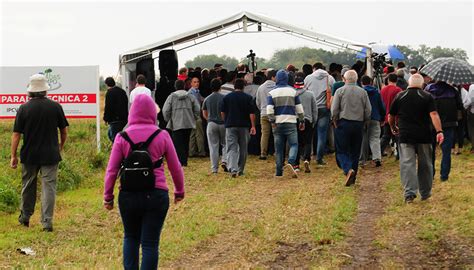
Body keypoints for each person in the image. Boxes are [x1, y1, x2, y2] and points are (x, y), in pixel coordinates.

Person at [104, 94, 184, 269]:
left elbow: (112, 169)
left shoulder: (121, 136)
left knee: (131, 237)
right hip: (156, 194)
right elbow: (175, 166)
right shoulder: (162, 135)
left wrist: (108, 196)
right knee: (150, 243)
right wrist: (179, 191)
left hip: (128, 195)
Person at [10, 74, 69, 232]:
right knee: (49, 187)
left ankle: (25, 217)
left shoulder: (24, 108)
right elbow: (64, 131)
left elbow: (16, 134)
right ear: (45, 90)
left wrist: (13, 155)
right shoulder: (55, 106)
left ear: (30, 91)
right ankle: (47, 222)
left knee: (28, 185)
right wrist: (60, 147)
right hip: (50, 154)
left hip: (29, 154)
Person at [389, 74, 444, 203]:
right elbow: (434, 114)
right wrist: (439, 131)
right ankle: (425, 193)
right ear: (422, 84)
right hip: (424, 135)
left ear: (409, 83)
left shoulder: (400, 96)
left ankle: (409, 193)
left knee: (407, 164)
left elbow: (391, 115)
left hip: (406, 134)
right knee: (425, 164)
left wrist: (393, 126)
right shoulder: (427, 96)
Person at [330, 70, 371, 186]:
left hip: (343, 123)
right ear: (357, 79)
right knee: (355, 150)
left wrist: (334, 120)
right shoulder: (363, 92)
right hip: (358, 124)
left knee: (342, 150)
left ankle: (348, 170)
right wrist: (365, 121)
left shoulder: (340, 91)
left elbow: (334, 109)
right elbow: (368, 110)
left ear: (344, 79)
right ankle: (353, 176)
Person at [267, 70, 305, 178]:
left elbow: (269, 110)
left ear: (277, 79)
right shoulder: (293, 91)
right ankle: (291, 161)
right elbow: (299, 109)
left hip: (278, 124)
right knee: (294, 144)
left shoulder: (272, 93)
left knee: (279, 148)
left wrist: (272, 121)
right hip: (291, 122)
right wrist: (302, 120)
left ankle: (279, 172)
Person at [425, 81, 463, 181]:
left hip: (431, 124)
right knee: (446, 152)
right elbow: (460, 106)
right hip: (449, 124)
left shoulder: (428, 90)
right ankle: (444, 176)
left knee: (430, 150)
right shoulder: (453, 91)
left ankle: (431, 174)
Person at [220, 78, 256, 177]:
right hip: (244, 126)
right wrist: (253, 126)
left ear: (234, 86)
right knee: (243, 148)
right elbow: (251, 113)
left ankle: (233, 169)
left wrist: (225, 121)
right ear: (243, 87)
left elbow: (222, 112)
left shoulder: (227, 98)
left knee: (231, 148)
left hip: (230, 125)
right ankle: (240, 169)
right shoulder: (248, 98)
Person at [162, 80, 200, 166]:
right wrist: (193, 117)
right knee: (186, 142)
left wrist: (169, 119)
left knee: (177, 143)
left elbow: (165, 110)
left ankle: (179, 161)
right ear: (184, 86)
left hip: (176, 123)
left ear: (175, 87)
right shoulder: (190, 96)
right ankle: (184, 160)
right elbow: (197, 109)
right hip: (188, 123)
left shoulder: (171, 97)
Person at [304, 62, 335, 166]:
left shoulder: (308, 78)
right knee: (322, 134)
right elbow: (334, 92)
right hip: (324, 109)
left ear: (314, 68)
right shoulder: (329, 78)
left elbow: (304, 92)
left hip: (311, 109)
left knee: (309, 133)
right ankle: (319, 158)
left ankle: (308, 155)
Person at [202, 78, 227, 174]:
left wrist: (208, 119)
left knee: (213, 147)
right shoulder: (224, 98)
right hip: (223, 123)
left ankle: (214, 169)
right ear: (220, 87)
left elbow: (204, 112)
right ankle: (225, 160)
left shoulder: (207, 99)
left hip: (211, 123)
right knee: (225, 144)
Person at [360, 75, 386, 167]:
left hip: (363, 118)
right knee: (374, 138)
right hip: (375, 117)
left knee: (363, 139)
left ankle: (362, 160)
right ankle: (377, 158)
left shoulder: (361, 92)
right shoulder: (377, 93)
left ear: (361, 83)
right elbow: (381, 106)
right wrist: (382, 118)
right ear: (371, 82)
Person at [294, 72, 318, 173]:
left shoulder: (292, 94)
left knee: (296, 143)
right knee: (308, 142)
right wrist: (314, 121)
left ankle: (296, 165)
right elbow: (315, 109)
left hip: (295, 120)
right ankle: (307, 159)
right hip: (308, 120)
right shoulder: (310, 94)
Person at [255, 69, 276, 160]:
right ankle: (276, 151)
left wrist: (262, 109)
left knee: (264, 134)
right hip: (274, 113)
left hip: (263, 113)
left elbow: (257, 101)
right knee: (276, 134)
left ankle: (263, 153)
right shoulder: (276, 87)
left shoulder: (261, 87)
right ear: (273, 77)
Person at [380, 73, 402, 156]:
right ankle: (400, 154)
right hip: (395, 117)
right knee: (397, 136)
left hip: (385, 116)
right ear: (396, 80)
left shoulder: (382, 90)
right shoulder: (398, 90)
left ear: (388, 80)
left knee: (386, 136)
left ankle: (378, 152)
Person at [103, 77, 129, 142]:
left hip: (114, 120)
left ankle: (119, 150)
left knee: (114, 138)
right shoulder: (122, 91)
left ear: (107, 84)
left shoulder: (109, 93)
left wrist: (106, 118)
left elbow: (108, 107)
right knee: (111, 134)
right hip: (124, 119)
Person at [187, 77, 206, 157]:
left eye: (198, 82)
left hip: (193, 115)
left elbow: (201, 99)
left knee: (193, 134)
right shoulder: (191, 93)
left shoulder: (196, 92)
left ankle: (192, 152)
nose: (197, 83)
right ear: (191, 83)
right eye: (194, 82)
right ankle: (201, 152)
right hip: (195, 115)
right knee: (199, 134)